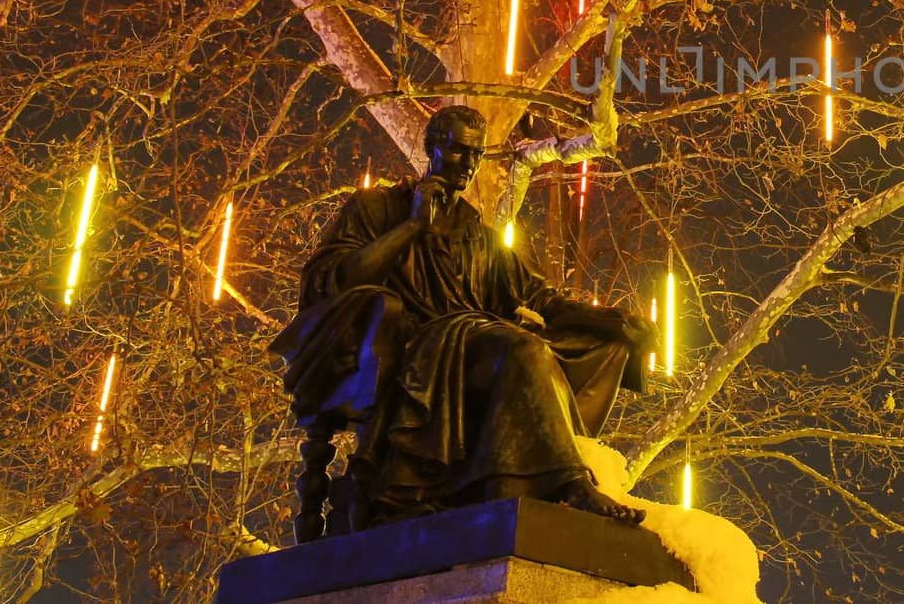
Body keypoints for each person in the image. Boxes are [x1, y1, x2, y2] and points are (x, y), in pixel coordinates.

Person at [270, 105, 653, 526]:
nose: (468, 165)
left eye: (475, 154)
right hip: (413, 346)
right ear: (431, 149)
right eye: (457, 152)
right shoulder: (377, 209)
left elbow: (538, 297)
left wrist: (611, 323)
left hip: (469, 344)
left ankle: (507, 482)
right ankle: (570, 483)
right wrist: (414, 226)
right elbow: (329, 282)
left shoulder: (478, 237)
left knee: (565, 346)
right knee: (522, 348)